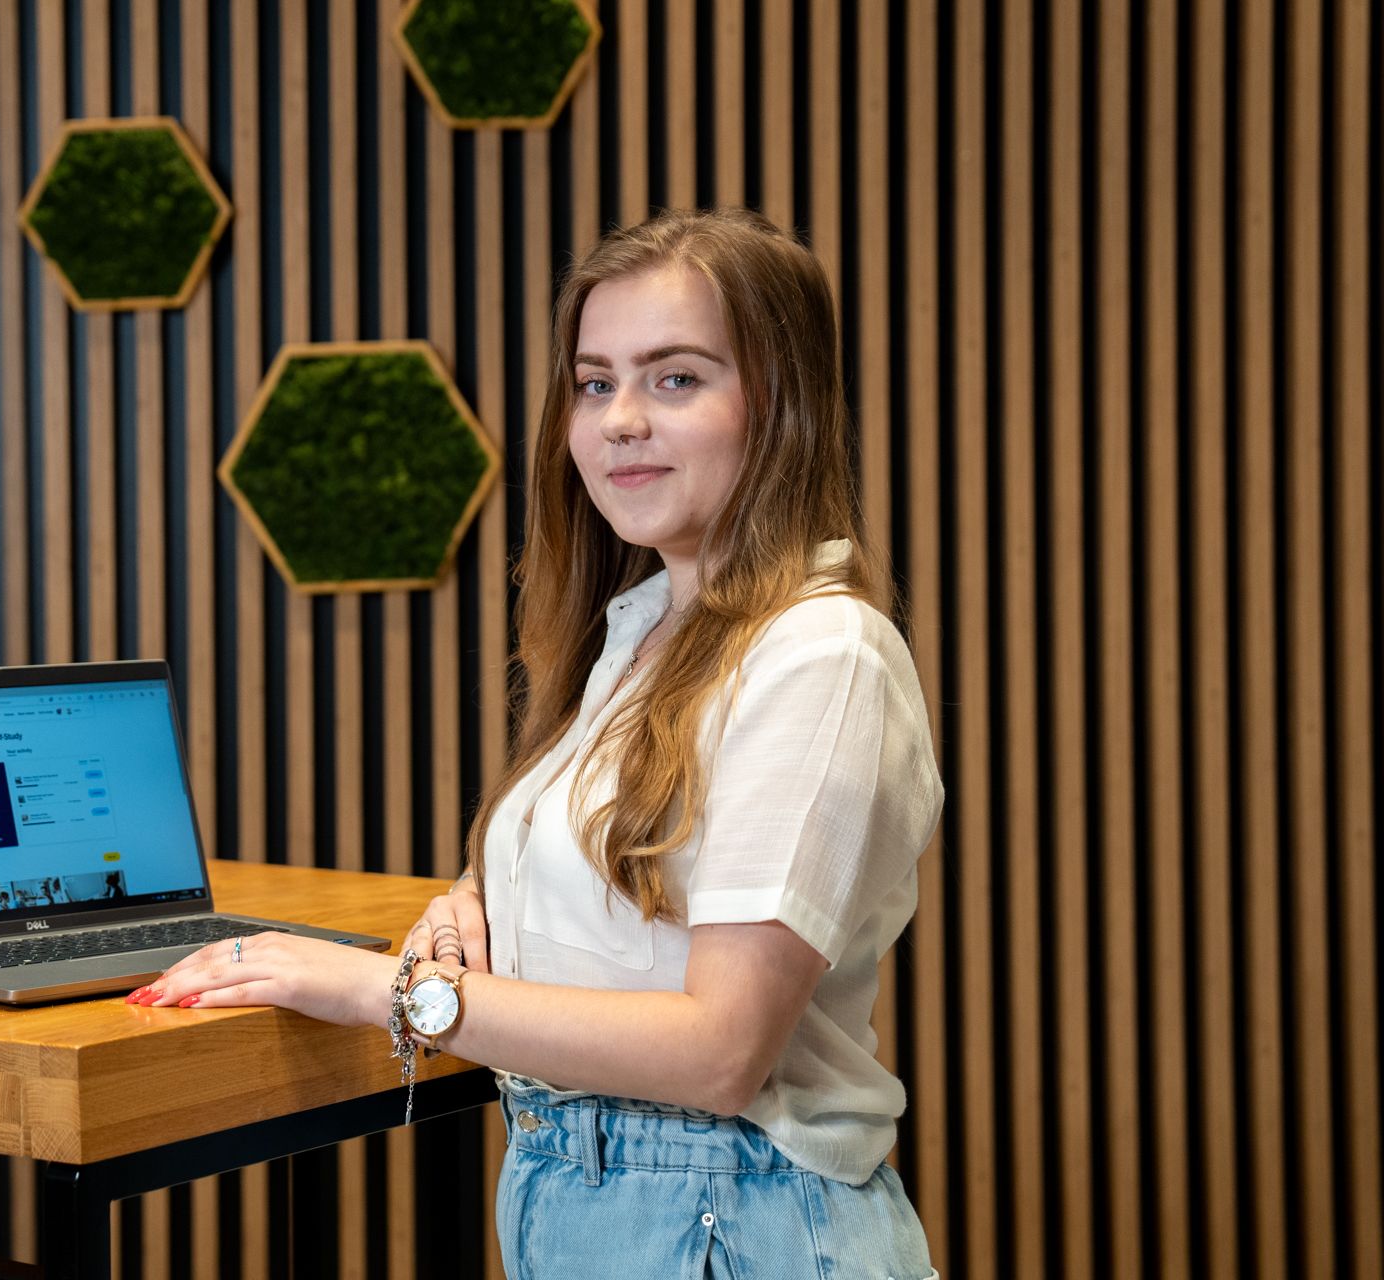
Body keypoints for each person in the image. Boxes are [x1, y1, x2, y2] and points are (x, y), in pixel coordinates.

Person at [133, 208, 943, 1277]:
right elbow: (577, 872)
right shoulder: (641, 633)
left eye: (676, 378)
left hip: (735, 1219)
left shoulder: (821, 652)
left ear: (781, 404)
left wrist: (380, 989)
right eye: (595, 382)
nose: (618, 421)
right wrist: (470, 904)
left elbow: (719, 1049)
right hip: (575, 1191)